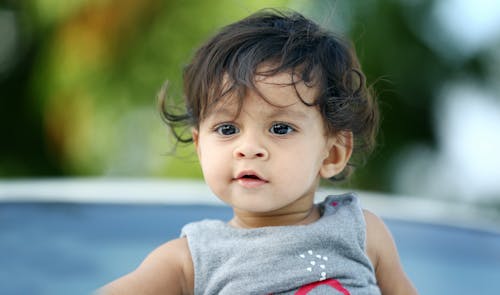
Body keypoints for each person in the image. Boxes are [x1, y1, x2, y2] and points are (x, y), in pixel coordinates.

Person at [99, 9, 418, 295]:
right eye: (227, 129)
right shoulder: (192, 260)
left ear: (333, 153)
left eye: (280, 129)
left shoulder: (360, 232)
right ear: (200, 147)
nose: (249, 148)